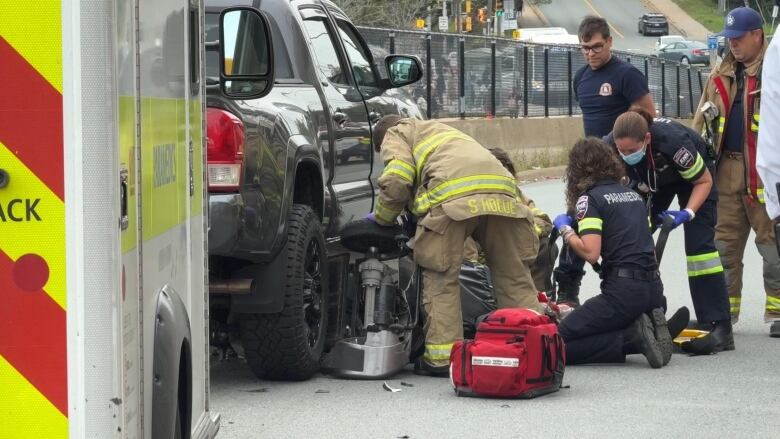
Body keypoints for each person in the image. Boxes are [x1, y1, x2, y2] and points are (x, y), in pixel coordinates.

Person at [368, 115, 540, 376]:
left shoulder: (396, 132)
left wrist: (382, 218)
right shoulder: (442, 131)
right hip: (504, 195)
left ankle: (443, 358)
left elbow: (397, 178)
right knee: (513, 275)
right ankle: (533, 348)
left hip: (452, 199)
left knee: (441, 277)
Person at [608, 107, 733, 354]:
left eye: (631, 151)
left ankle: (719, 325)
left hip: (695, 179)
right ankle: (653, 311)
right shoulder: (609, 146)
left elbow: (703, 181)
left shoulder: (673, 143)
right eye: (621, 151)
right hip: (656, 179)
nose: (625, 155)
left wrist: (688, 213)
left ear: (646, 139)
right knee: (636, 238)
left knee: (700, 251)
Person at [551, 138, 685, 368]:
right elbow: (648, 252)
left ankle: (632, 338)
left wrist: (565, 229)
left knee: (555, 344)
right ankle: (646, 325)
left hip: (622, 294)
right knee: (603, 321)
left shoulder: (589, 199)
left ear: (576, 171)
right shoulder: (633, 196)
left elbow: (591, 253)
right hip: (654, 291)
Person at [554, 16, 658, 307]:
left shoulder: (627, 75)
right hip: (589, 170)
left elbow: (647, 113)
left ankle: (632, 288)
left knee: (624, 229)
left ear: (609, 42)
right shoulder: (581, 78)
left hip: (621, 166)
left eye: (596, 46)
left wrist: (613, 142)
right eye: (585, 48)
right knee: (577, 219)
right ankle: (567, 292)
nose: (590, 53)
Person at [692, 7, 780, 337]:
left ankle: (778, 313)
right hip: (726, 169)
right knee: (724, 245)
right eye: (730, 40)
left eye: (739, 38)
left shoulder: (775, 72)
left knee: (772, 244)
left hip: (763, 170)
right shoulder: (720, 75)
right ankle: (724, 312)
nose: (734, 46)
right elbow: (699, 124)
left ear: (758, 35)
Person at [463, 147, 556, 293]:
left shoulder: (515, 192)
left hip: (515, 247)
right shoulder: (473, 196)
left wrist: (519, 232)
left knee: (545, 245)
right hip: (487, 258)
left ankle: (539, 296)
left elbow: (543, 220)